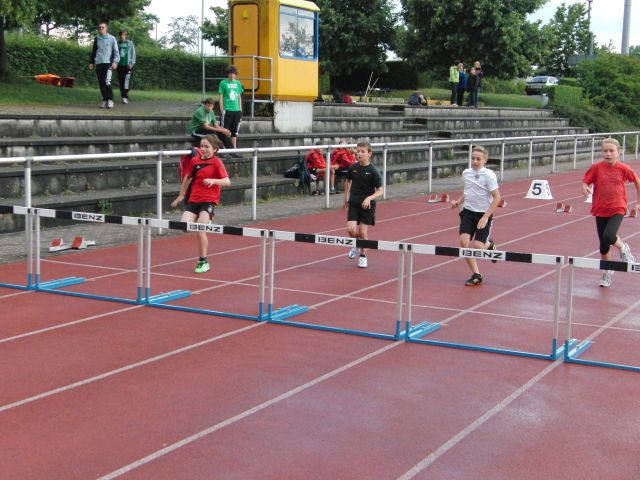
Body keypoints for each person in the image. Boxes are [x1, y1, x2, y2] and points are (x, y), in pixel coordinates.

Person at [581, 138, 640, 287]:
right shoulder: (596, 168)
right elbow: (585, 181)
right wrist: (585, 187)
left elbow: (637, 181)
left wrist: (639, 202)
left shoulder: (624, 168)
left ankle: (623, 248)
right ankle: (607, 271)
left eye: (611, 151)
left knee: (608, 236)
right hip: (600, 208)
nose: (608, 154)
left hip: (618, 207)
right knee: (603, 246)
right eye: (605, 151)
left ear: (619, 152)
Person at [170, 135, 231, 274]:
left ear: (215, 149)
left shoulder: (217, 162)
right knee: (184, 226)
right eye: (201, 146)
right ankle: (204, 219)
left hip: (209, 200)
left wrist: (214, 181)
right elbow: (187, 178)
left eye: (206, 147)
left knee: (200, 229)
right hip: (194, 200)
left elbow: (227, 181)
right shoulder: (194, 161)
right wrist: (181, 195)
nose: (203, 149)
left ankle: (203, 261)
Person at [451, 145, 500, 286]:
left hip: (483, 214)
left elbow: (497, 198)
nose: (475, 161)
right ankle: (477, 274)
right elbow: (468, 191)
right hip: (468, 212)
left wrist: (486, 216)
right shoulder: (466, 173)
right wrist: (458, 202)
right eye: (473, 158)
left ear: (485, 160)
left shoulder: (489, 175)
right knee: (464, 242)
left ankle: (489, 245)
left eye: (478, 159)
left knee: (478, 246)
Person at [343, 141, 384, 269]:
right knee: (351, 230)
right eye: (358, 151)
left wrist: (369, 198)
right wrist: (345, 197)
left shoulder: (373, 171)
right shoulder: (352, 168)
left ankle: (363, 256)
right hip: (354, 202)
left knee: (362, 231)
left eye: (362, 152)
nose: (359, 154)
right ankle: (358, 244)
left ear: (369, 153)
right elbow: (347, 180)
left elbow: (381, 190)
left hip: (367, 205)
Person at [88, 22, 119, 109]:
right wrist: (91, 62)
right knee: (101, 83)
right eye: (100, 27)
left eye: (103, 27)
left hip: (108, 63)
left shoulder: (112, 38)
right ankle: (105, 100)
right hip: (99, 63)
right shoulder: (97, 39)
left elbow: (116, 52)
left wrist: (115, 62)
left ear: (106, 28)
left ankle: (110, 100)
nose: (101, 28)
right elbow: (94, 51)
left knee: (107, 81)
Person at [218, 65, 244, 153]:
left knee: (234, 132)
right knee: (224, 131)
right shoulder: (223, 83)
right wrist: (222, 110)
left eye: (234, 73)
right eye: (230, 73)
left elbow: (239, 96)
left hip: (236, 110)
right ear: (227, 74)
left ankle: (234, 150)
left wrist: (240, 109)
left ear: (236, 74)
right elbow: (221, 97)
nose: (232, 75)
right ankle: (225, 150)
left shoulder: (238, 83)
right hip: (227, 110)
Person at [116, 30, 136, 104]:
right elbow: (115, 53)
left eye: (124, 35)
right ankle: (122, 96)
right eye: (121, 35)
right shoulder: (117, 43)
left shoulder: (130, 43)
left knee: (126, 82)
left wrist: (132, 63)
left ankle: (125, 97)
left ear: (126, 36)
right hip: (119, 65)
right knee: (121, 82)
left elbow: (133, 53)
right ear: (119, 36)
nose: (122, 36)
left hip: (127, 65)